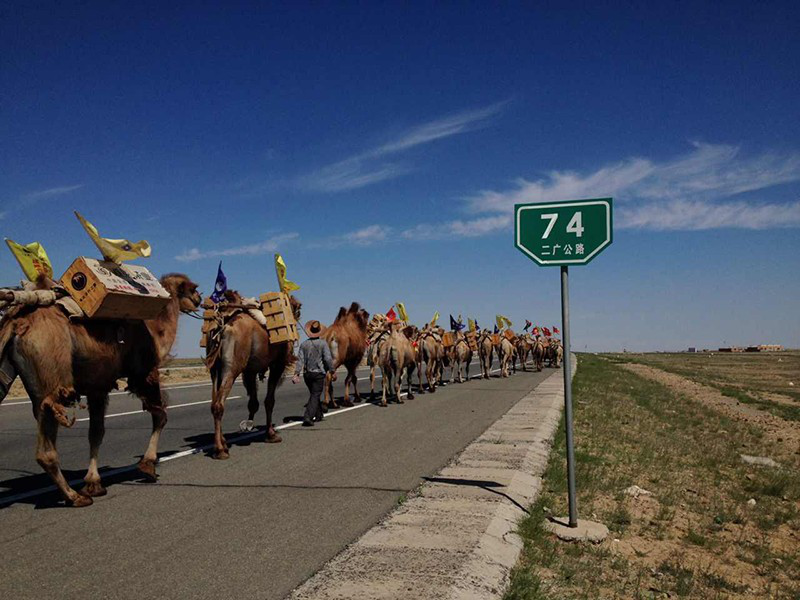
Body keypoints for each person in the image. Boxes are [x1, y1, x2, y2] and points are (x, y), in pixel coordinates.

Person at [292, 320, 336, 427]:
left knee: (314, 394)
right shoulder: (323, 344)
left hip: (307, 374)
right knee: (315, 395)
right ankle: (308, 417)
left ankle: (319, 414)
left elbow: (300, 360)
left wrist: (296, 373)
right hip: (318, 374)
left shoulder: (304, 344)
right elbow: (328, 359)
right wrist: (332, 371)